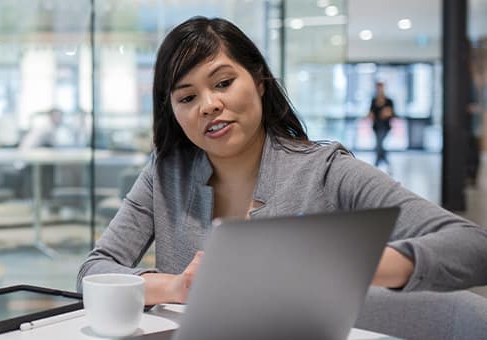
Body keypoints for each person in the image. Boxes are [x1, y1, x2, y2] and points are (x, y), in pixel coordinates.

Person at [77, 16, 487, 306]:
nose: (209, 105)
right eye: (187, 97)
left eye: (223, 83)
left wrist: (345, 263)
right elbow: (93, 271)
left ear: (257, 81)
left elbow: (472, 249)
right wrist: (174, 287)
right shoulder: (165, 177)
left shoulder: (324, 170)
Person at [367, 82, 395, 167]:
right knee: (380, 144)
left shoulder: (389, 101)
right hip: (376, 126)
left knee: (379, 144)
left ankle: (377, 163)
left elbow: (393, 113)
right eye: (378, 88)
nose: (379, 90)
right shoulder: (374, 100)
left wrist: (388, 113)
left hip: (385, 126)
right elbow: (370, 113)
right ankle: (385, 161)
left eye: (381, 88)